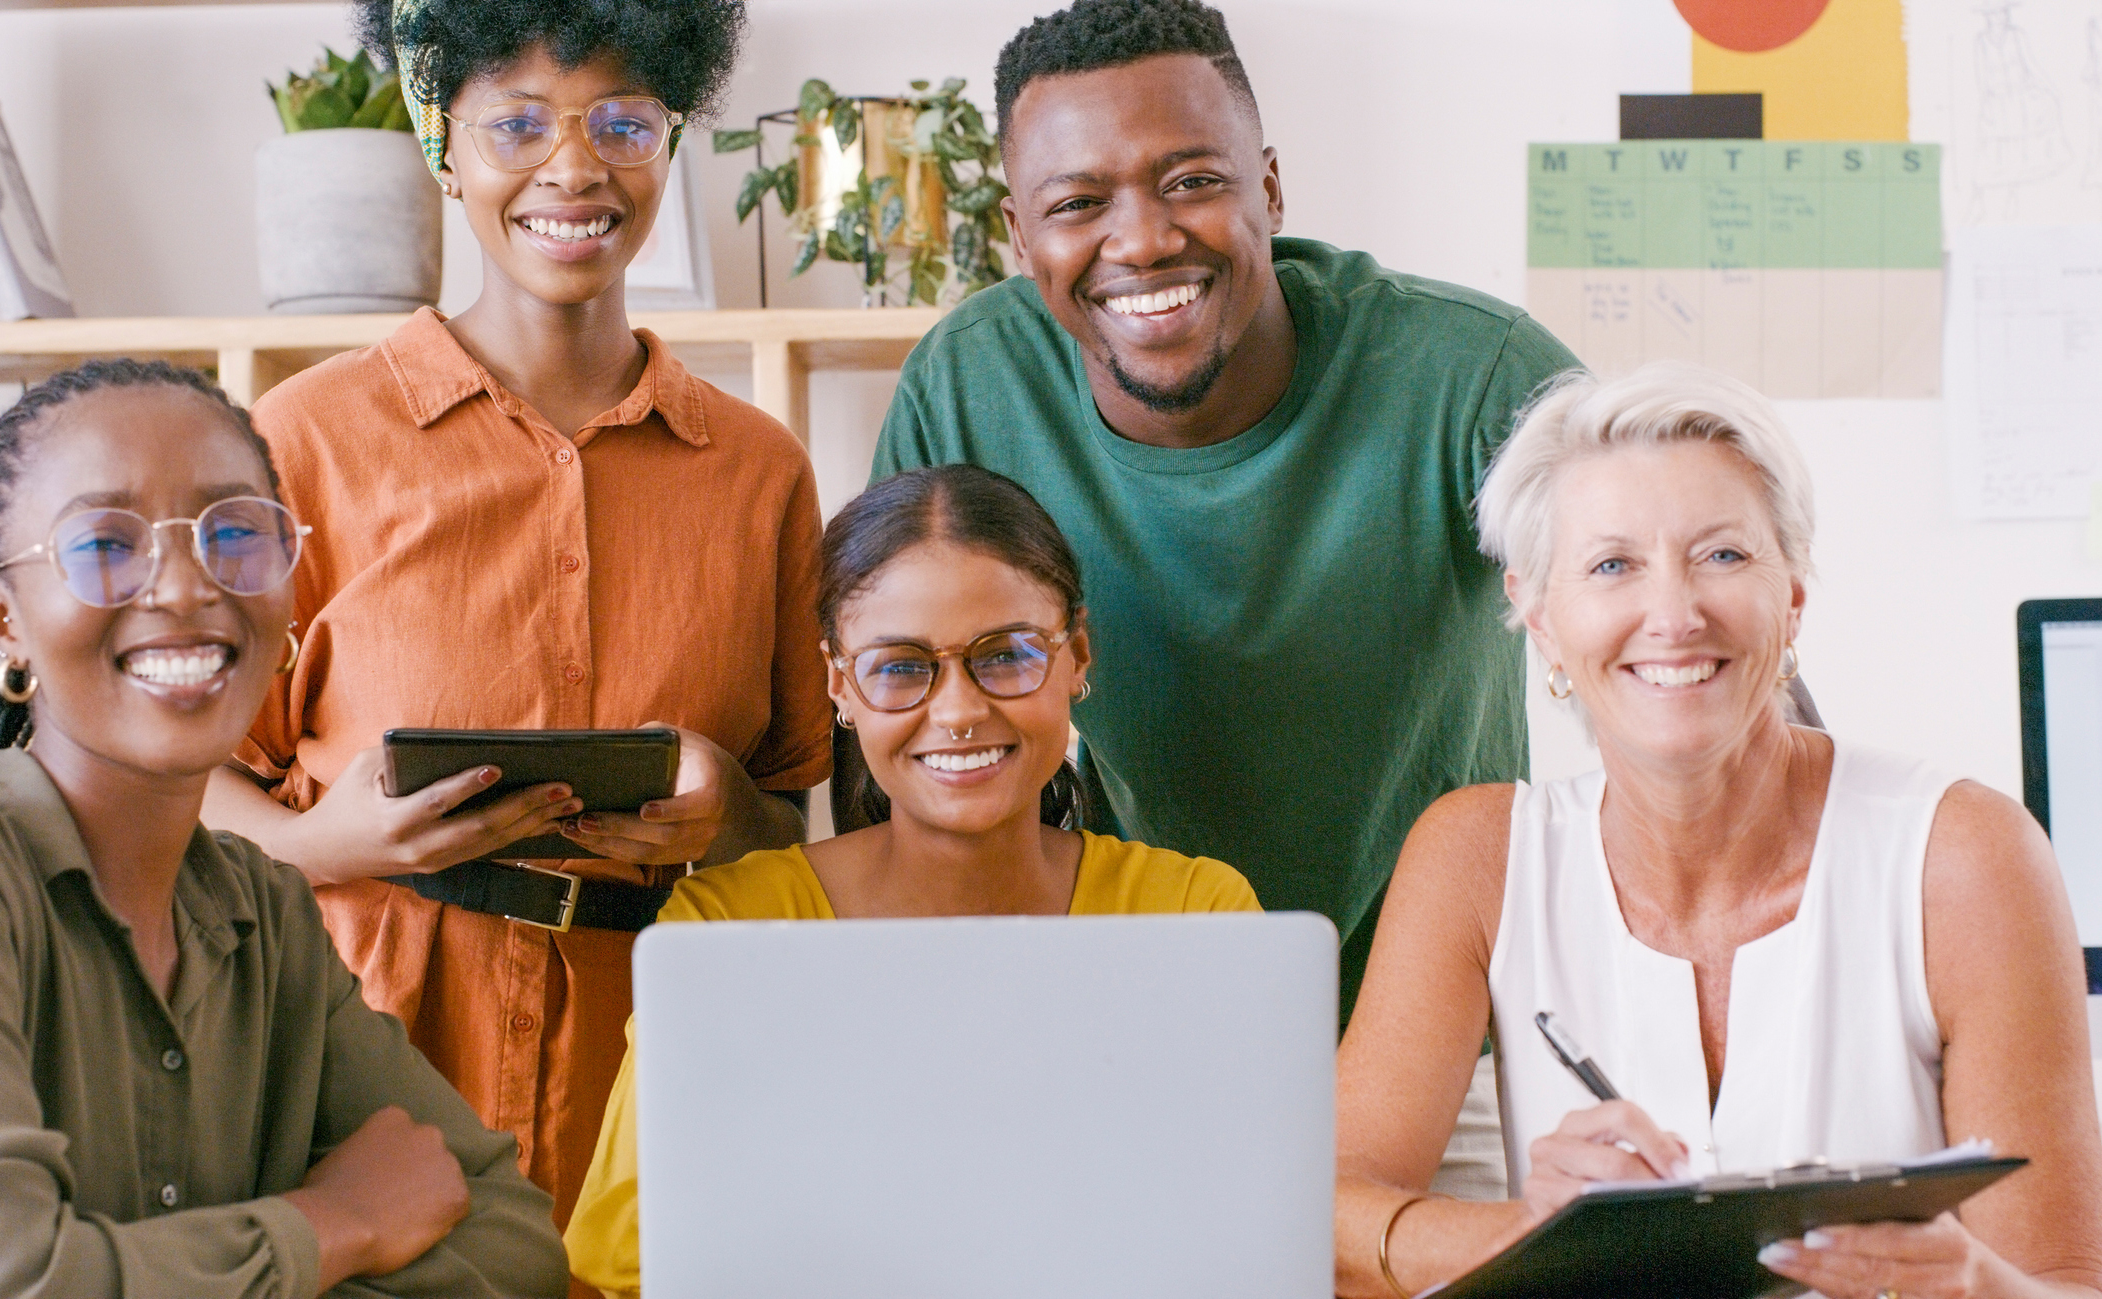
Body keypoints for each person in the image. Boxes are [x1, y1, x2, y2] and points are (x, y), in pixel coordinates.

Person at [868, 0, 1581, 1193]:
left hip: (1442, 1037)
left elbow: (1666, 627)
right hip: (1120, 1024)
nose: (1141, 240)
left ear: (1272, 189)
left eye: (1191, 180)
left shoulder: (1476, 378)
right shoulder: (970, 383)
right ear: (1019, 230)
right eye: (1078, 203)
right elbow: (901, 728)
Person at [199, 0, 832, 1261]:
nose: (575, 166)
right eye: (518, 123)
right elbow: (185, 776)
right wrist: (323, 839)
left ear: (670, 142)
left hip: (664, 1078)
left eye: (623, 123)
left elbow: (792, 815)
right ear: (444, 145)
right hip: (362, 1066)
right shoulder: (302, 441)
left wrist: (729, 815)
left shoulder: (760, 472)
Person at [0, 360, 566, 1298]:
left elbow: (516, 1239)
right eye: (105, 542)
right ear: (4, 619)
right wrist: (339, 1223)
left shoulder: (264, 914)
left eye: (235, 532)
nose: (185, 586)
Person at [1333, 362, 2102, 1299]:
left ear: (1793, 596)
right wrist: (1541, 1239)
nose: (1673, 614)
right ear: (1538, 615)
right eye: (1611, 565)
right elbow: (1324, 1214)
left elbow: (2061, 1282)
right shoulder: (1478, 856)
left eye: (1723, 556)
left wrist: (1979, 1286)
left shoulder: (1965, 853)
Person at [560, 465, 1263, 1297]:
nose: (958, 709)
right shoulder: (728, 927)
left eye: (1005, 655)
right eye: (900, 666)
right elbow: (627, 1260)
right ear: (839, 686)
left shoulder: (1194, 916)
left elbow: (1244, 1231)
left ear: (1077, 655)